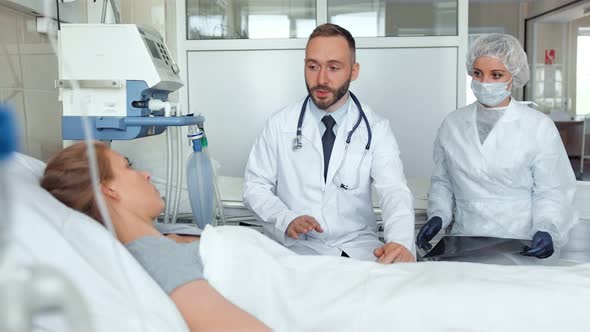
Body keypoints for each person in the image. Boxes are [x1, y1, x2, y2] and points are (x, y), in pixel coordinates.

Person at [41, 142, 270, 332]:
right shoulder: (156, 258)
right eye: (128, 167)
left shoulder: (165, 238)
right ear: (109, 190)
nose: (146, 174)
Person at [243, 23, 415, 263]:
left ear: (354, 71)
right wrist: (285, 218)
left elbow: (393, 191)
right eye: (313, 66)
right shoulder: (279, 124)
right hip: (295, 249)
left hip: (358, 249)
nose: (321, 79)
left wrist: (400, 241)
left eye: (334, 68)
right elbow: (255, 186)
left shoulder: (376, 128)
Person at [416, 34, 577, 260]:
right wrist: (438, 215)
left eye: (496, 75)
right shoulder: (453, 124)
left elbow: (552, 190)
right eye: (478, 73)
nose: (484, 83)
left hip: (522, 241)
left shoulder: (538, 126)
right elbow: (444, 181)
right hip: (466, 239)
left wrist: (548, 228)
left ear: (514, 76)